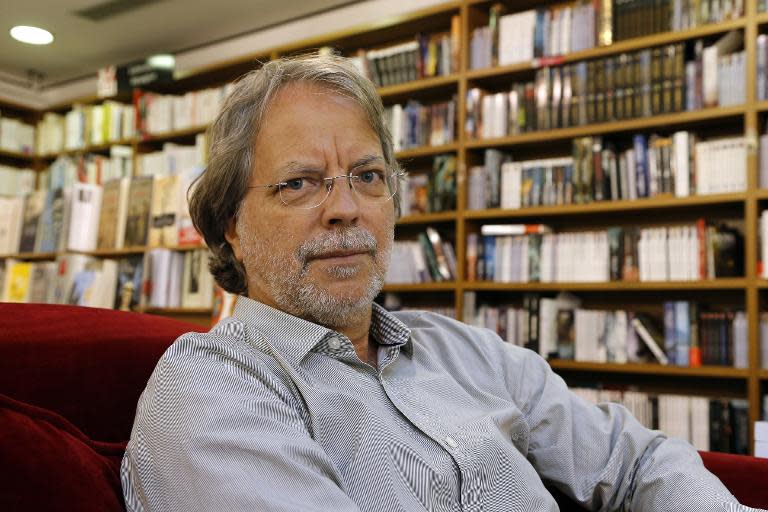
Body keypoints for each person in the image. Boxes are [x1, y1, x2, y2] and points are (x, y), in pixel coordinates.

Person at [121, 54, 762, 512]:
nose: (346, 208)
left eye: (368, 176)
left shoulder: (468, 352)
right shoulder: (208, 388)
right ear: (230, 221)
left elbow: (638, 463)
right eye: (299, 183)